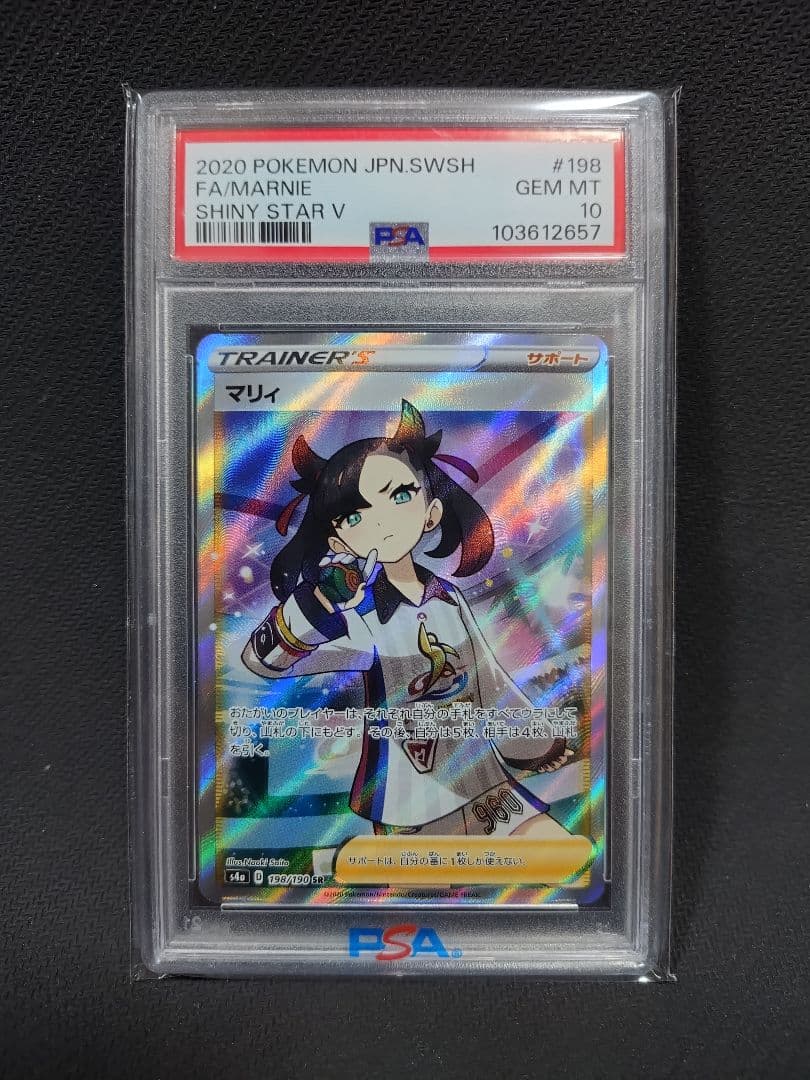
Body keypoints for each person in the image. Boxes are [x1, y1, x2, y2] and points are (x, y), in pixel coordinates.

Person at [243, 400, 574, 837]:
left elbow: (489, 680)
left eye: (399, 496)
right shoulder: (358, 617)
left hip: (485, 783)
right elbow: (264, 661)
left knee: (557, 855)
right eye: (355, 516)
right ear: (338, 537)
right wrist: (318, 603)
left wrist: (532, 740)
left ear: (431, 511)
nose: (382, 523)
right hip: (411, 803)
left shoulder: (448, 599)